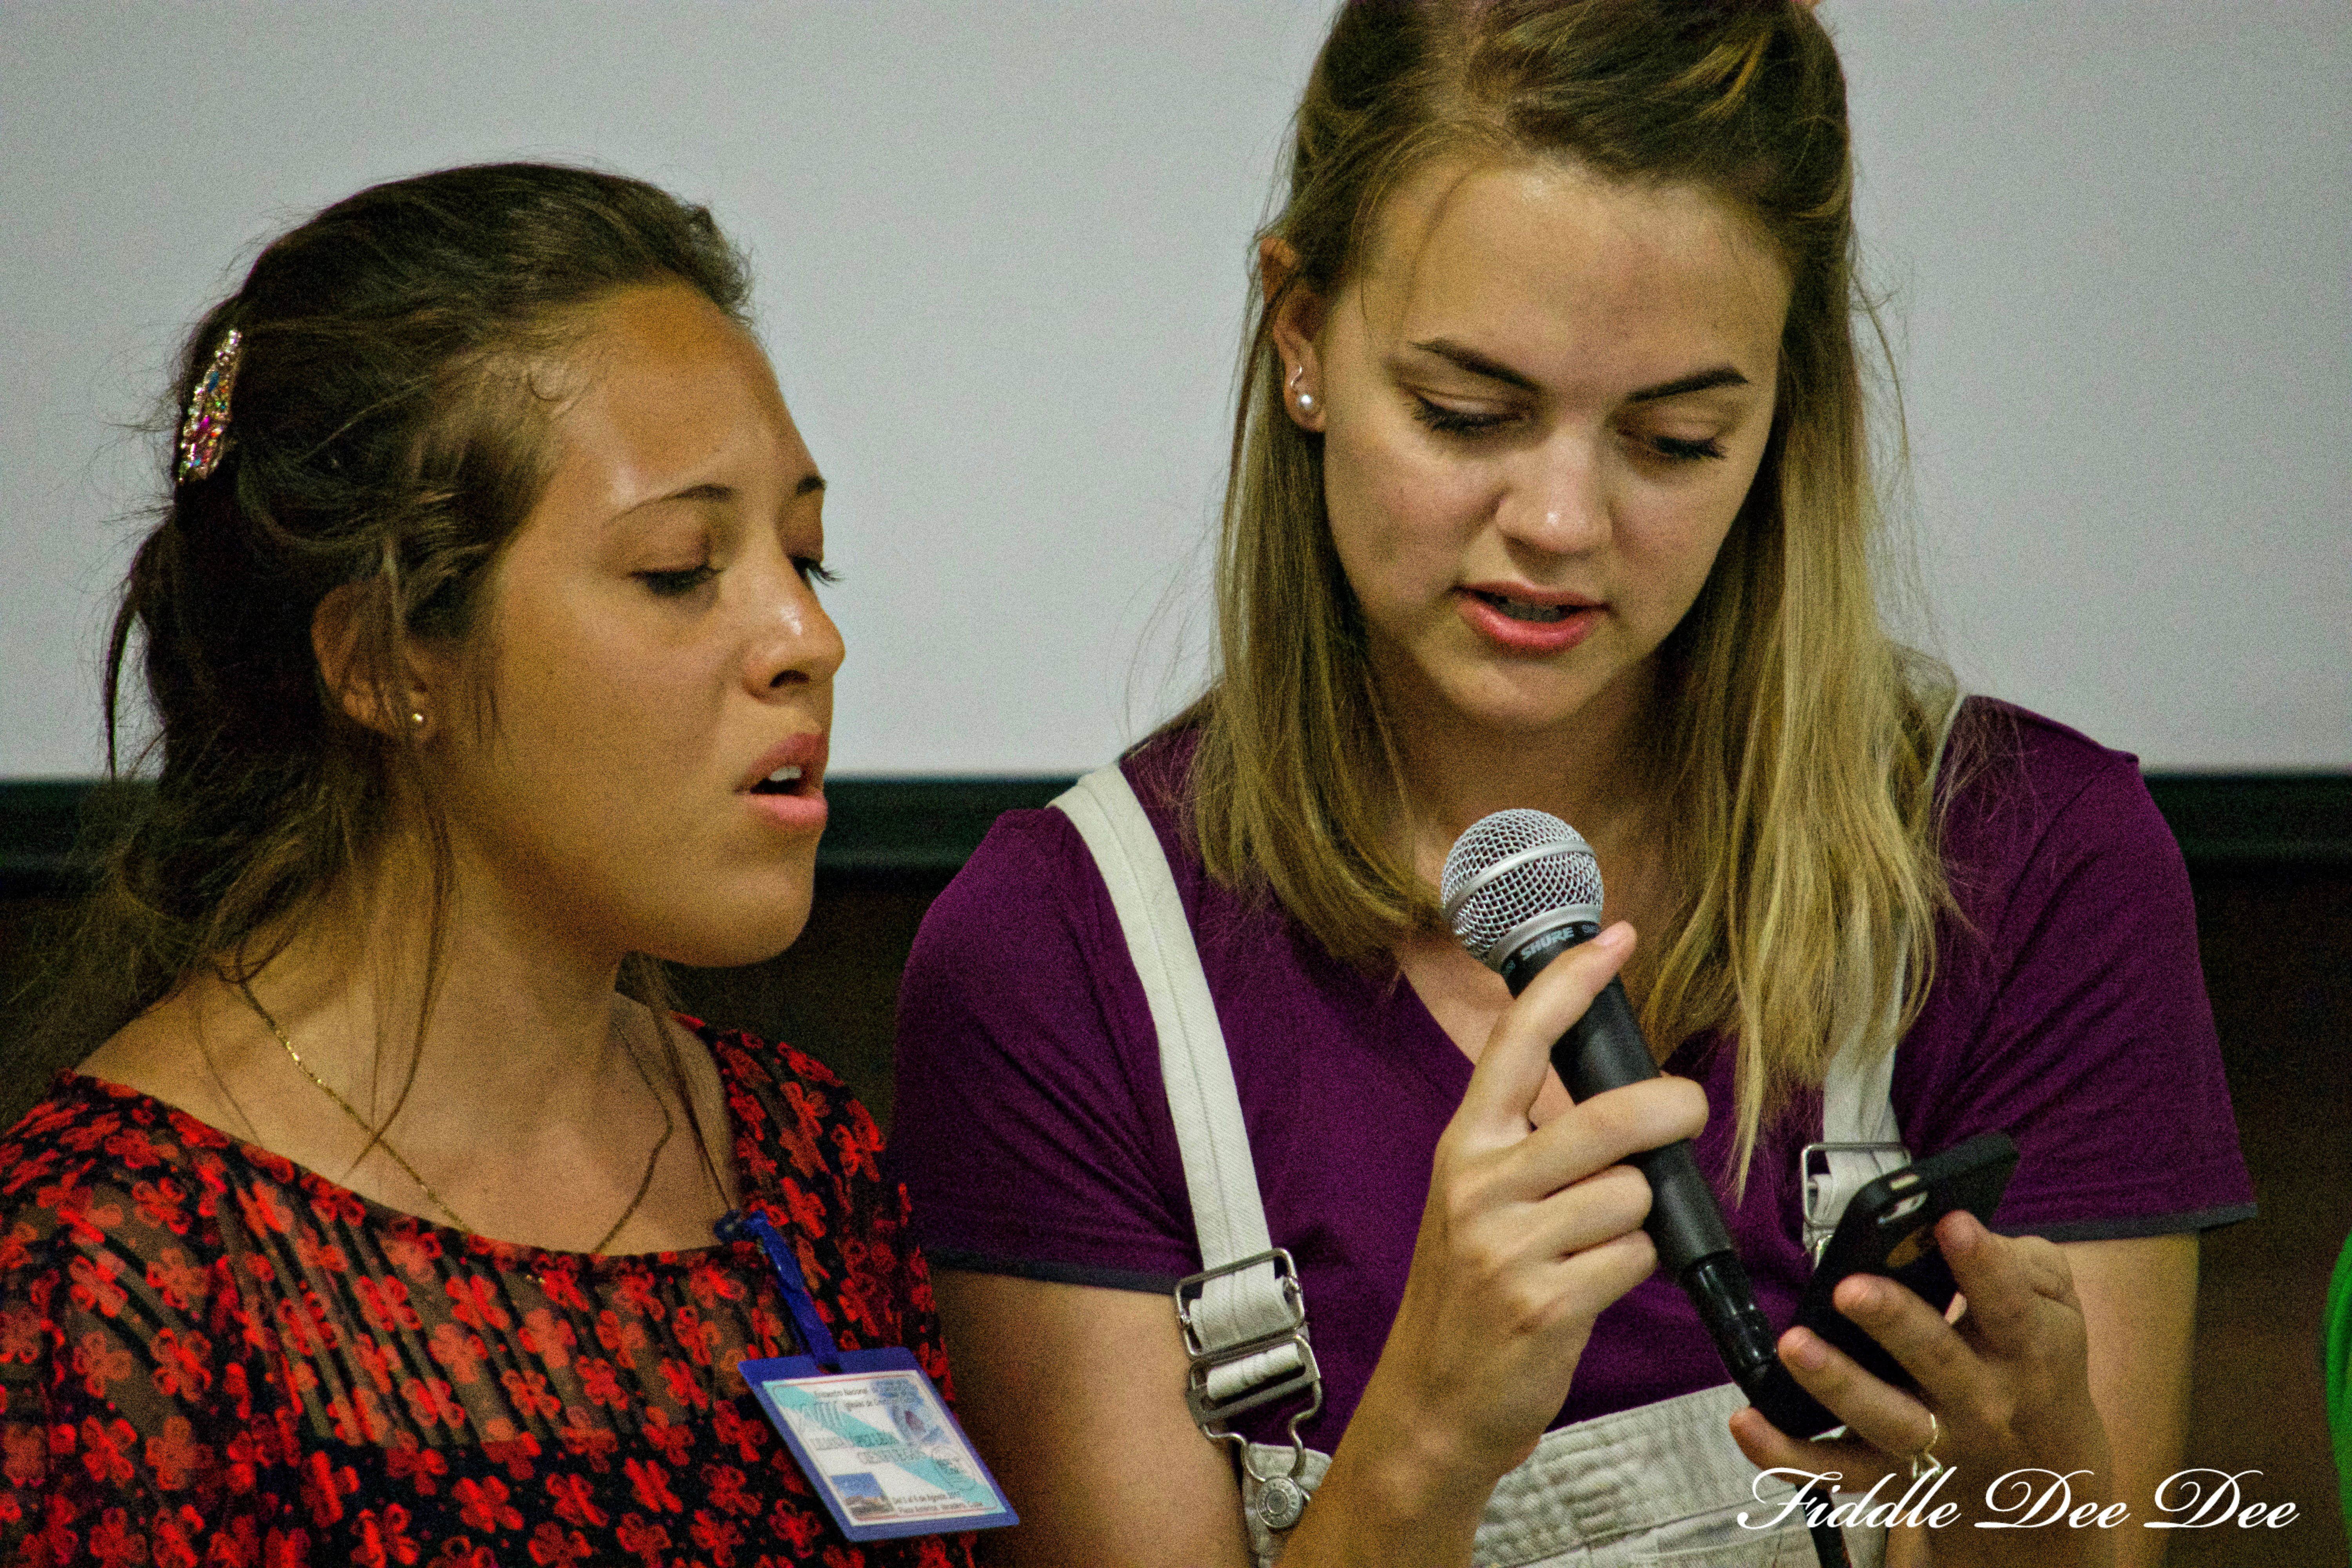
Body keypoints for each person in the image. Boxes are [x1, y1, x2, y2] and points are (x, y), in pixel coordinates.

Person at [887, 4, 2252, 1566]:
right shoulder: (1061, 955)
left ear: (1784, 413)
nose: (1558, 519)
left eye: (1674, 439)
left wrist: (2045, 1522)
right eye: (1469, 413)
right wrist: (1423, 1442)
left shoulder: (2032, 866)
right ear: (1300, 336)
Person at [0, 164, 976, 1568]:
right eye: (680, 569)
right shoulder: (113, 1273)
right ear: (388, 660)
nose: (804, 640)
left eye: (805, 558)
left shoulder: (801, 1159)